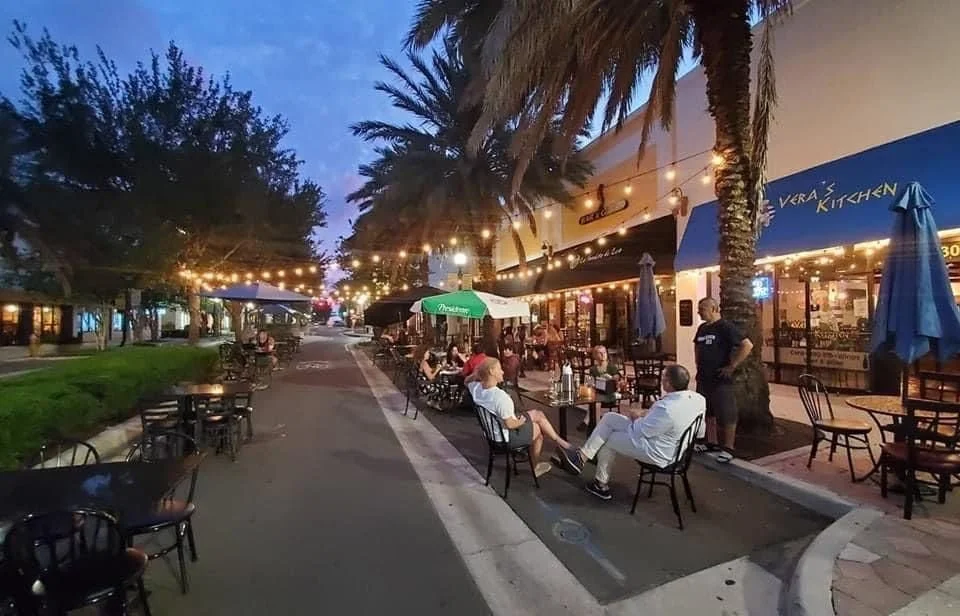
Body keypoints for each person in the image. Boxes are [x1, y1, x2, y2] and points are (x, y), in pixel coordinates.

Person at [566, 365, 706, 500]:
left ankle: (600, 484)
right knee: (609, 418)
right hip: (677, 450)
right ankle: (583, 457)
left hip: (659, 452)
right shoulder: (699, 400)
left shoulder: (666, 408)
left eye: (663, 377)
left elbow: (640, 431)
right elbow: (700, 433)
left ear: (668, 383)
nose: (661, 379)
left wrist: (636, 416)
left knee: (607, 439)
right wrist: (648, 415)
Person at [466, 358, 581, 477]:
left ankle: (562, 443)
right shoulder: (500, 397)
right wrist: (521, 421)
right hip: (505, 437)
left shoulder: (475, 388)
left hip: (493, 433)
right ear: (491, 371)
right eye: (499, 369)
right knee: (538, 430)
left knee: (538, 414)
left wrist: (477, 374)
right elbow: (510, 424)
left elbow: (466, 381)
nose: (503, 372)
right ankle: (535, 468)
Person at [693, 297, 753, 463]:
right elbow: (697, 346)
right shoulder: (702, 329)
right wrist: (698, 364)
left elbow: (747, 345)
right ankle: (711, 442)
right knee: (708, 411)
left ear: (713, 308)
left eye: (702, 308)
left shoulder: (725, 327)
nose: (699, 312)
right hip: (704, 377)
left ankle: (728, 447)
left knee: (727, 412)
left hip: (720, 378)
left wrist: (732, 366)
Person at [579, 345, 622, 431]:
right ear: (595, 356)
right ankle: (596, 424)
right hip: (598, 392)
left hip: (609, 393)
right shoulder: (593, 369)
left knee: (596, 402)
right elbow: (591, 382)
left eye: (604, 352)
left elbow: (617, 376)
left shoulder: (611, 366)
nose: (603, 355)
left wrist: (611, 377)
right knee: (594, 399)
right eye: (600, 353)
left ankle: (590, 423)